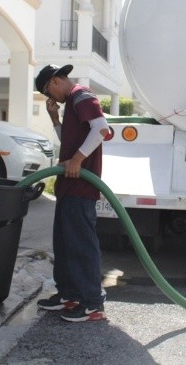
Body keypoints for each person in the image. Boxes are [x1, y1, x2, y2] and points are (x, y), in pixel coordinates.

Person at [34, 64, 110, 322]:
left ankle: (92, 304)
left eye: (47, 92)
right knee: (65, 245)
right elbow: (69, 140)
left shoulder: (82, 96)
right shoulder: (73, 104)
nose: (50, 98)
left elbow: (101, 128)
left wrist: (78, 159)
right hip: (68, 186)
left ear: (55, 82)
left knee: (81, 246)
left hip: (81, 186)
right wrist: (55, 120)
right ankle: (69, 295)